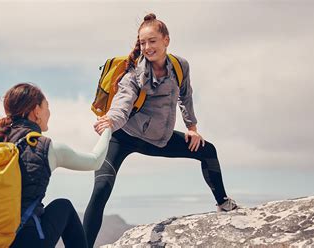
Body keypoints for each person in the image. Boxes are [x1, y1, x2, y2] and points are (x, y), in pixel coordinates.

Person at [83, 13, 238, 247]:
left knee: (207, 151)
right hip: (121, 135)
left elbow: (186, 97)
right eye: (143, 42)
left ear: (166, 40)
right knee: (102, 188)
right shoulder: (133, 72)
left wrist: (192, 128)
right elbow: (122, 104)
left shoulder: (179, 66)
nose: (147, 47)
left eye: (152, 41)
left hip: (158, 138)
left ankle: (223, 203)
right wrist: (111, 121)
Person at [0, 83, 112, 248]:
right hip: (25, 240)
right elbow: (95, 161)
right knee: (63, 207)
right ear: (36, 111)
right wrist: (108, 130)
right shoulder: (47, 147)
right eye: (47, 106)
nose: (50, 113)